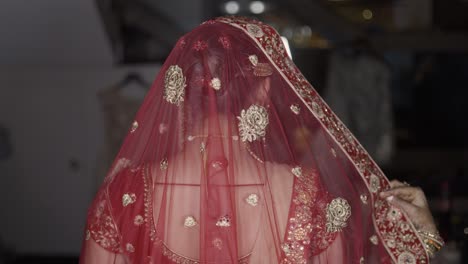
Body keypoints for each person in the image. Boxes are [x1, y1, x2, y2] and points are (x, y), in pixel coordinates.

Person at [80, 16, 443, 263]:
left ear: (176, 92)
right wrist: (423, 241)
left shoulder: (121, 198)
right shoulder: (308, 196)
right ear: (264, 89)